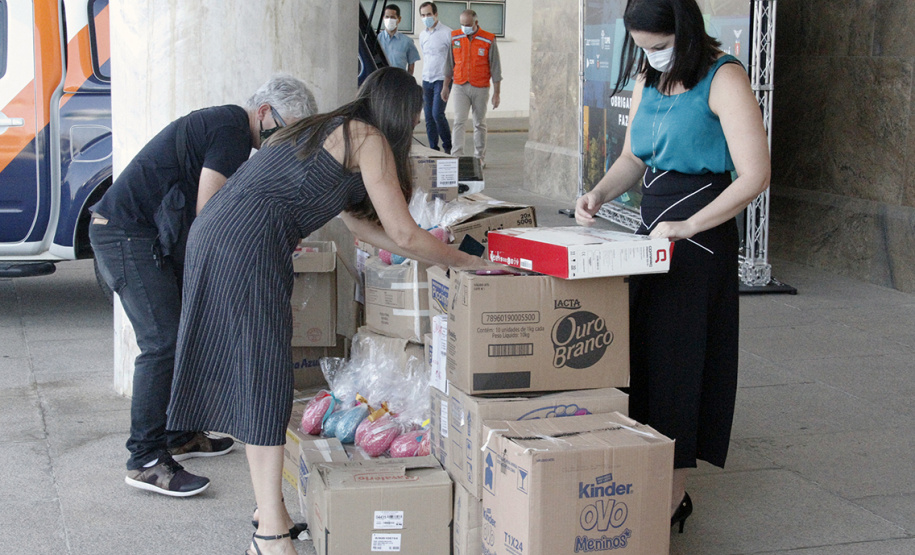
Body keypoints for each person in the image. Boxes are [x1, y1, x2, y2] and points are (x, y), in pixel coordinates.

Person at [165, 67, 489, 555]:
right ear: (401, 114)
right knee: (266, 376)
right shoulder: (371, 140)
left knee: (256, 370)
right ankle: (270, 534)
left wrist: (428, 252)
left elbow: (363, 228)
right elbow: (402, 234)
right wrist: (472, 263)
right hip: (246, 245)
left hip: (218, 235)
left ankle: (264, 506)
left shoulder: (328, 129)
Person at [574, 0, 770, 533]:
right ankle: (640, 472)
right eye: (641, 47)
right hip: (652, 232)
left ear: (683, 33)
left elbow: (754, 174)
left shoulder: (723, 77)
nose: (650, 57)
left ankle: (672, 496)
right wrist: (597, 193)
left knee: (680, 366)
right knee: (642, 356)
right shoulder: (649, 79)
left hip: (699, 235)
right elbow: (633, 157)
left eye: (658, 47)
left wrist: (690, 226)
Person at [90, 74, 317, 498]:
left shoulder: (229, 130)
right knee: (164, 341)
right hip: (123, 235)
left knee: (185, 331)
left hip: (143, 237)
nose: (284, 141)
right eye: (285, 129)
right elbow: (210, 211)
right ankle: (145, 459)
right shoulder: (232, 131)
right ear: (265, 112)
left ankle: (179, 433)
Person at [442, 9, 502, 167]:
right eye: (462, 24)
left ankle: (479, 157)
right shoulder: (455, 37)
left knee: (479, 123)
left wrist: (497, 93)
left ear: (476, 23)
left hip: (480, 87)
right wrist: (445, 87)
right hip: (460, 85)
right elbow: (449, 64)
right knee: (459, 122)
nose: (464, 28)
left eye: (467, 25)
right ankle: (456, 156)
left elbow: (496, 68)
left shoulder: (488, 39)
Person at [418, 2, 452, 152]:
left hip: (441, 79)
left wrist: (446, 85)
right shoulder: (422, 35)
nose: (426, 18)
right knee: (429, 117)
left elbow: (452, 61)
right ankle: (433, 148)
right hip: (427, 79)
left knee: (437, 113)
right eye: (423, 15)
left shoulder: (447, 33)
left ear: (436, 14)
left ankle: (448, 146)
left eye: (429, 14)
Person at [377, 4, 420, 75]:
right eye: (387, 17)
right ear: (383, 18)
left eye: (392, 17)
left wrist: (408, 80)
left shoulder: (407, 41)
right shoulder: (377, 40)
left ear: (399, 19)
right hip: (380, 81)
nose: (389, 20)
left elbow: (411, 64)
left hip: (399, 81)